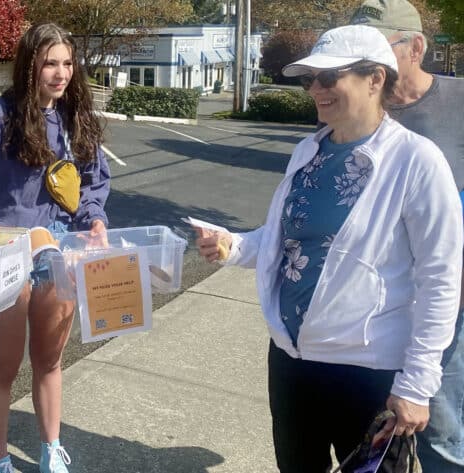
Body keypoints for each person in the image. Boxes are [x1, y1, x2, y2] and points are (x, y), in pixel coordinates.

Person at [194, 25, 462, 473]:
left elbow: (440, 278)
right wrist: (234, 245)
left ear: (375, 79)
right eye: (309, 80)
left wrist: (417, 385)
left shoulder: (417, 161)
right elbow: (283, 238)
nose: (316, 88)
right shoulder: (308, 151)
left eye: (329, 77)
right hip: (293, 361)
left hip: (368, 370)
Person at [0, 23, 110, 473]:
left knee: (49, 361)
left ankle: (50, 450)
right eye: (50, 63)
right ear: (29, 65)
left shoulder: (74, 118)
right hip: (6, 257)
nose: (60, 73)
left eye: (67, 63)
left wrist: (96, 219)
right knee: (3, 366)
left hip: (58, 253)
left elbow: (92, 185)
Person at [351, 2, 464, 469]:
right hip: (372, 308)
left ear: (415, 47)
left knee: (441, 430)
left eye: (375, 49)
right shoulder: (354, 111)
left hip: (444, 304)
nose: (362, 65)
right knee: (374, 429)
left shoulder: (459, 104)